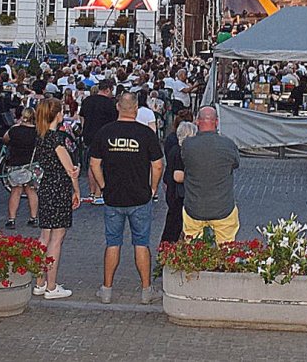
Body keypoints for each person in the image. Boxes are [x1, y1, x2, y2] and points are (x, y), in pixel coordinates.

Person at [89, 90, 164, 305]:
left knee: (113, 242)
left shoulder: (105, 132)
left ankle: (106, 289)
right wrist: (153, 188)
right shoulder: (146, 134)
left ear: (117, 107)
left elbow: (94, 163)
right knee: (141, 242)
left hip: (113, 196)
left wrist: (103, 186)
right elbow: (157, 164)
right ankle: (146, 290)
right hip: (140, 196)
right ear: (137, 110)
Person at [31, 98, 81, 300]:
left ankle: (40, 281)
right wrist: (77, 191)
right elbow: (71, 170)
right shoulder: (57, 140)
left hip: (46, 186)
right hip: (59, 188)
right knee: (57, 238)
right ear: (58, 114)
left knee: (44, 236)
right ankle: (51, 286)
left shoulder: (41, 136)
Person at [176, 106, 240, 241]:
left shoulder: (187, 145)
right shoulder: (228, 144)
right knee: (227, 250)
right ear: (216, 122)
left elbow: (185, 163)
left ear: (197, 121)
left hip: (194, 206)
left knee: (192, 250)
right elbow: (235, 164)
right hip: (223, 207)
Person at [80, 79, 118, 203]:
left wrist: (84, 130)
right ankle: (99, 192)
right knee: (103, 164)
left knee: (92, 163)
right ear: (107, 90)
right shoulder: (109, 104)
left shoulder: (87, 101)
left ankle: (92, 193)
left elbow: (82, 118)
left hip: (89, 135)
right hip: (104, 136)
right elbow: (114, 122)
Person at [162, 121, 197, 243]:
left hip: (173, 192)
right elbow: (178, 176)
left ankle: (167, 249)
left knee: (173, 223)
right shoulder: (182, 152)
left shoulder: (174, 149)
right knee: (176, 224)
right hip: (179, 194)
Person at [3, 107, 40, 227]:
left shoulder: (14, 130)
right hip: (31, 164)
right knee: (31, 191)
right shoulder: (37, 132)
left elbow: (5, 139)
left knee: (15, 191)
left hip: (15, 163)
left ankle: (12, 219)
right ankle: (33, 218)